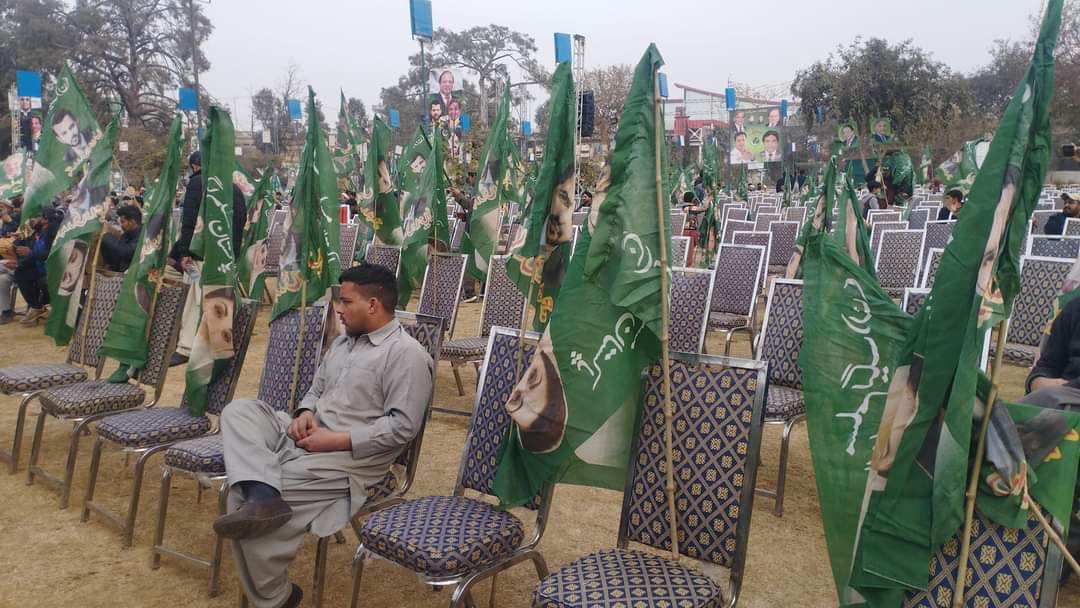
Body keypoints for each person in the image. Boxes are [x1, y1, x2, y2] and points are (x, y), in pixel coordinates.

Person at [215, 263, 433, 608]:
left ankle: (275, 597)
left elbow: (401, 427)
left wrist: (336, 440)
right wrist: (305, 413)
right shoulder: (344, 344)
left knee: (238, 498)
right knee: (240, 411)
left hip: (348, 462)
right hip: (307, 439)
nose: (339, 310)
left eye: (346, 302)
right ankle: (264, 495)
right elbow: (316, 389)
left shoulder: (406, 355)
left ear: (373, 305)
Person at [168, 151, 247, 366]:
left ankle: (186, 347)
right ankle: (219, 346)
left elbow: (190, 220)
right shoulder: (232, 188)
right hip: (225, 255)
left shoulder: (198, 183)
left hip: (201, 254)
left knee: (194, 303)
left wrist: (184, 251)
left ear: (195, 167)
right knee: (218, 300)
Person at [1019, 293, 1080, 565]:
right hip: (1060, 402)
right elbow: (1046, 366)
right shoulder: (1074, 309)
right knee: (1008, 430)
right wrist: (1040, 383)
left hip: (1067, 400)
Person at [13, 208, 60, 325]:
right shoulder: (37, 231)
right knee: (20, 273)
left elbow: (51, 254)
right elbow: (28, 245)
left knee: (43, 282)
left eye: (35, 217)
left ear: (45, 219)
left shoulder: (54, 232)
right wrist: (17, 242)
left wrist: (30, 252)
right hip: (37, 267)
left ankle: (48, 307)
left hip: (50, 270)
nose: (32, 220)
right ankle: (36, 306)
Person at [100, 204, 142, 272]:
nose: (121, 225)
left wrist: (105, 235)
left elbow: (124, 250)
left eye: (123, 222)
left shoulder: (142, 237)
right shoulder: (129, 232)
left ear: (132, 222)